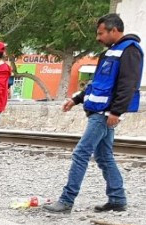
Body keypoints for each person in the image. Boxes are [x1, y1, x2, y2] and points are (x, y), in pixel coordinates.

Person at [44, 13, 142, 213]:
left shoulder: (130, 51)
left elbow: (128, 84)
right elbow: (97, 84)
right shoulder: (110, 53)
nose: (98, 38)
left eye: (101, 33)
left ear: (114, 30)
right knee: (104, 155)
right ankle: (117, 198)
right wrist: (76, 99)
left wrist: (116, 111)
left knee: (81, 153)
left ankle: (66, 200)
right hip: (99, 110)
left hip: (105, 113)